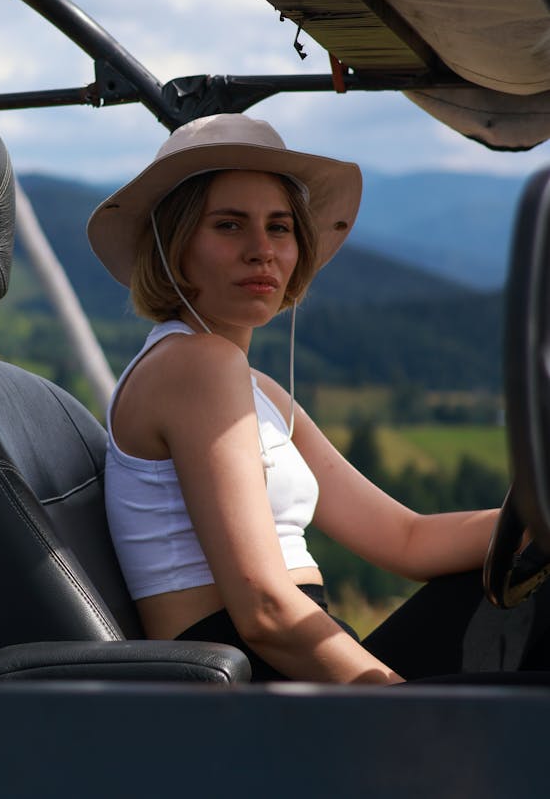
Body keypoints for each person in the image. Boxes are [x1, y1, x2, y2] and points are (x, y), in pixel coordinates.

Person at [87, 113, 546, 683]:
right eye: (230, 226)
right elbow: (263, 610)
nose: (262, 250)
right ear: (175, 246)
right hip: (251, 684)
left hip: (297, 661)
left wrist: (538, 517)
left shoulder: (258, 391)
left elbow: (407, 539)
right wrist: (410, 712)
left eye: (279, 227)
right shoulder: (195, 364)